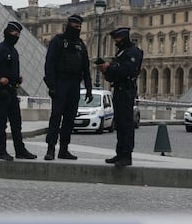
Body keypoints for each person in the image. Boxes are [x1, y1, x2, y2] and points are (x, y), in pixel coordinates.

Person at [0, 21, 37, 161]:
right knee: (2, 123)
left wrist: (17, 79)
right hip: (2, 91)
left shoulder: (14, 51)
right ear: (7, 33)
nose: (16, 36)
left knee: (16, 122)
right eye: (14, 33)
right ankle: (0, 151)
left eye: (18, 34)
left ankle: (20, 150)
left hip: (12, 90)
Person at [43, 14, 93, 161]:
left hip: (74, 85)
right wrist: (52, 86)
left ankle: (64, 149)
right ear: (68, 25)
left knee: (69, 120)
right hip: (60, 83)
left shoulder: (81, 45)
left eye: (79, 27)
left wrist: (89, 88)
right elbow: (49, 65)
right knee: (56, 118)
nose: (77, 29)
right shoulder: (57, 42)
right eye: (75, 26)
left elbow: (86, 68)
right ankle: (50, 149)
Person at [97, 27, 143, 167]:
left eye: (117, 39)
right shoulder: (122, 52)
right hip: (119, 90)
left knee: (126, 124)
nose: (115, 41)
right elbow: (113, 75)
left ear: (123, 37)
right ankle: (120, 153)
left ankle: (126, 155)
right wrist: (105, 70)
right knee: (120, 123)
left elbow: (127, 71)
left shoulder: (133, 52)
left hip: (126, 91)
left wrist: (109, 68)